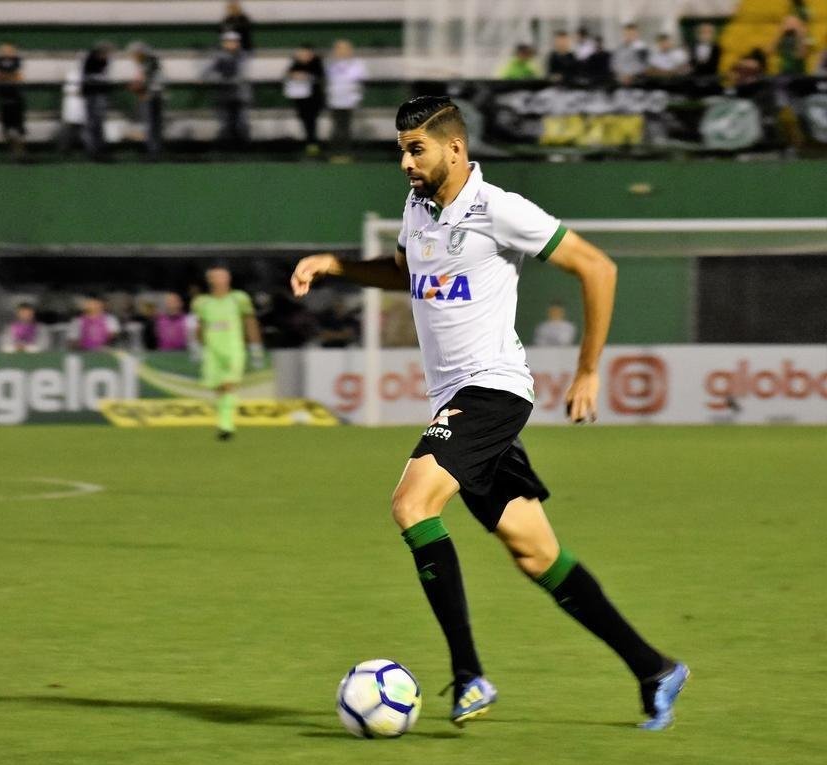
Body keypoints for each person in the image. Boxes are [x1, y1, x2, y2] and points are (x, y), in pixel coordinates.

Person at [290, 95, 688, 730]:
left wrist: (587, 370)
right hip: (460, 401)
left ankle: (470, 673)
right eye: (400, 150)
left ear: (454, 147)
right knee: (533, 552)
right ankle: (654, 668)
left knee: (412, 504)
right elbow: (406, 272)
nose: (405, 162)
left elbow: (596, 267)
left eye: (415, 148)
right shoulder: (418, 209)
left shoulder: (497, 209)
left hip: (493, 392)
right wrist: (337, 265)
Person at [192, 266, 263, 440]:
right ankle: (224, 422)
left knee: (228, 384)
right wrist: (197, 346)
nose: (222, 280)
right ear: (210, 280)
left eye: (224, 276)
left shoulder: (238, 299)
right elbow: (200, 326)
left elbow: (250, 321)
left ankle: (226, 426)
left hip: (233, 349)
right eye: (217, 277)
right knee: (218, 388)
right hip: (212, 351)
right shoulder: (201, 302)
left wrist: (255, 347)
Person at [204, 31, 251, 146]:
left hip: (239, 93)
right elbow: (208, 73)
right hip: (224, 93)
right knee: (225, 120)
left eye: (233, 42)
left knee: (240, 120)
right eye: (228, 42)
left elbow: (239, 72)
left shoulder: (243, 56)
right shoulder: (220, 56)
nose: (230, 44)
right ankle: (228, 146)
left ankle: (242, 145)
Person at [326, 39, 366, 155]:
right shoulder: (329, 64)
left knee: (346, 126)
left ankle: (346, 151)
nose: (342, 51)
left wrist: (356, 97)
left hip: (350, 100)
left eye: (344, 49)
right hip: (334, 100)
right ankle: (335, 151)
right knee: (336, 126)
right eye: (339, 49)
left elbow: (360, 81)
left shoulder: (357, 64)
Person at [284, 44, 326, 155]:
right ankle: (309, 142)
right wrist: (293, 75)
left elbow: (320, 77)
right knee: (305, 120)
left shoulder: (317, 63)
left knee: (311, 120)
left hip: (314, 98)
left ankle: (313, 143)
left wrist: (306, 76)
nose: (304, 55)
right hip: (300, 99)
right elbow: (287, 75)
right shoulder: (295, 64)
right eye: (302, 53)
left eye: (306, 53)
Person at [127, 41, 164, 159]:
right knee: (154, 125)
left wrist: (136, 86)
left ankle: (153, 152)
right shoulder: (151, 61)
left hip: (151, 97)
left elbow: (143, 81)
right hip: (154, 96)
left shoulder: (148, 62)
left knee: (151, 125)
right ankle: (154, 151)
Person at [81, 41, 115, 160]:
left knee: (99, 123)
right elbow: (87, 76)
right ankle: (92, 150)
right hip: (92, 95)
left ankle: (100, 149)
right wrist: (101, 79)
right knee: (92, 123)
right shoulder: (90, 59)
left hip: (99, 94)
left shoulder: (103, 60)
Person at [0, 42, 26, 157]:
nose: (6, 52)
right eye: (4, 50)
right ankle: (11, 149)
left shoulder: (17, 61)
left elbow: (18, 77)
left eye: (9, 50)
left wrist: (6, 77)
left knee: (18, 127)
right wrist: (7, 77)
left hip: (16, 98)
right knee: (6, 127)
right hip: (2, 98)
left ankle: (20, 151)